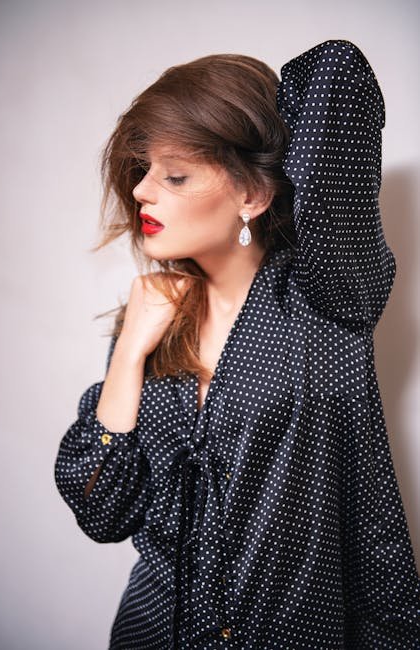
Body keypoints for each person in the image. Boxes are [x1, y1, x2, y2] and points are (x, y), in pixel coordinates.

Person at [54, 40, 420, 649]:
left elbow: (337, 75)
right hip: (153, 632)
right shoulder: (150, 323)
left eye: (174, 174)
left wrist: (260, 122)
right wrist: (130, 352)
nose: (143, 190)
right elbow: (101, 511)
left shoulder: (327, 299)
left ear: (252, 195)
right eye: (144, 170)